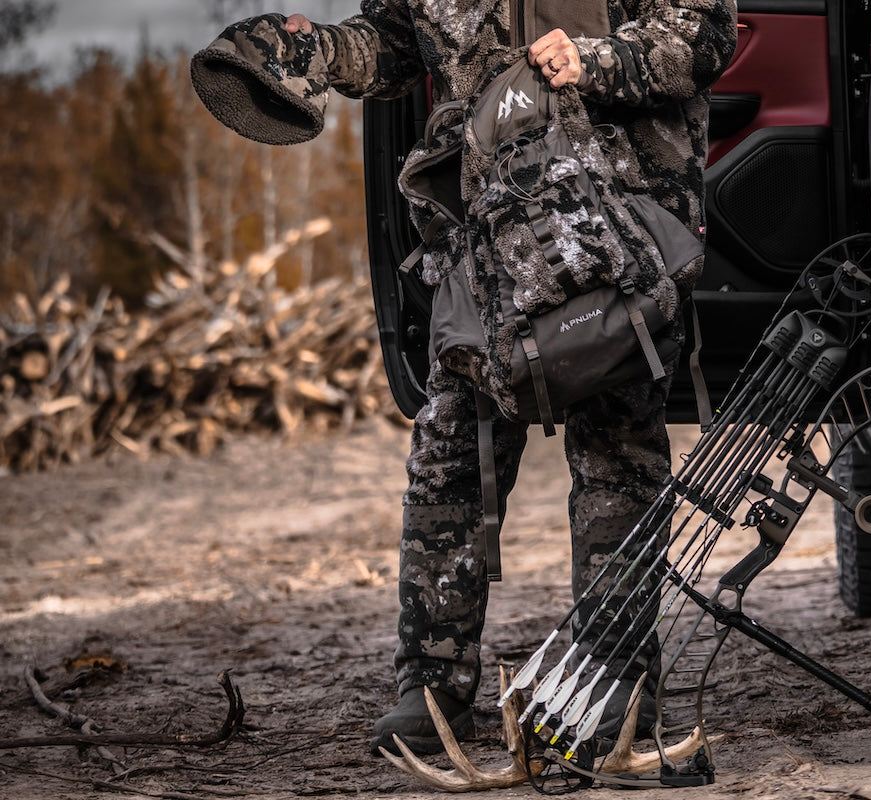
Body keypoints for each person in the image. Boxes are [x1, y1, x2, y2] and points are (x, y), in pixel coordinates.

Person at [275, 0, 738, 757]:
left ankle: (614, 683)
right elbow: (393, 43)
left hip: (615, 221)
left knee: (619, 451)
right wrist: (319, 51)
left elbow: (704, 29)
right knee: (452, 448)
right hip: (484, 228)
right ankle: (431, 687)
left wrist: (595, 60)